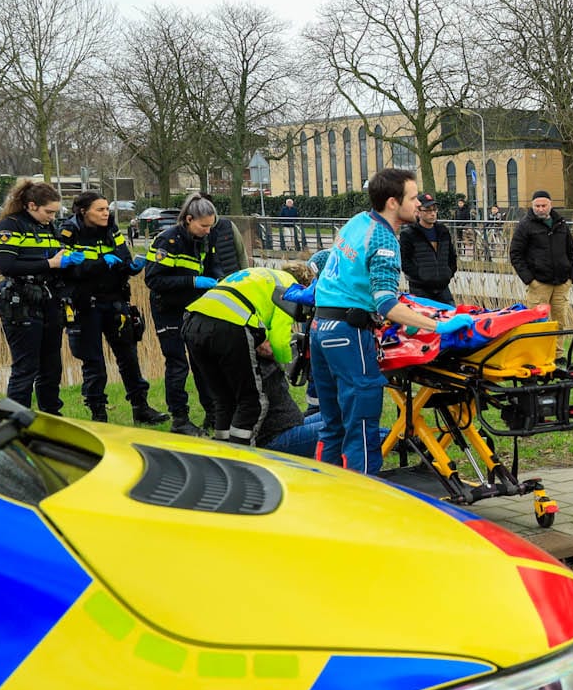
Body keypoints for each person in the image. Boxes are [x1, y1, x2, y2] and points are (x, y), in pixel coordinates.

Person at [311, 168, 471, 474]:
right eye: (412, 198)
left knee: (332, 425)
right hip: (348, 334)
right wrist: (438, 326)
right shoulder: (385, 240)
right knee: (361, 425)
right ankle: (366, 503)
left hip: (321, 328)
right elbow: (386, 303)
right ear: (393, 202)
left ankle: (325, 497)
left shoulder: (359, 221)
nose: (418, 204)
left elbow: (329, 260)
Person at [61, 191, 168, 425]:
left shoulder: (111, 228)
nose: (105, 213)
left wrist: (133, 267)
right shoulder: (69, 231)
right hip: (85, 305)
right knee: (94, 363)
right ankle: (99, 415)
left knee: (128, 356)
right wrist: (100, 263)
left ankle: (141, 407)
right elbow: (67, 270)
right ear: (83, 211)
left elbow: (122, 258)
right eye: (99, 209)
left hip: (114, 301)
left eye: (106, 208)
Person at [181, 266, 306, 444]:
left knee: (224, 400)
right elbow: (279, 341)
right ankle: (242, 457)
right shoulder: (291, 288)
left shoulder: (260, 274)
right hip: (229, 325)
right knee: (251, 401)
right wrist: (289, 365)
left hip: (193, 322)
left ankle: (223, 453)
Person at [0, 179, 78, 413]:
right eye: (48, 211)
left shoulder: (47, 227)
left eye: (55, 212)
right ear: (31, 205)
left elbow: (49, 258)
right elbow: (7, 266)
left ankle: (51, 417)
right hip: (21, 303)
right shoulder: (10, 226)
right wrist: (51, 263)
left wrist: (67, 259)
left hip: (48, 300)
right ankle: (15, 419)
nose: (52, 217)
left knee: (52, 367)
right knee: (26, 367)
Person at [144, 194, 225, 436]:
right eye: (203, 226)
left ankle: (213, 413)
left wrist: (220, 280)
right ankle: (180, 419)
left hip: (195, 308)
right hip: (168, 310)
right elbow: (153, 279)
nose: (207, 230)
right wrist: (193, 281)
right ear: (188, 219)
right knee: (178, 364)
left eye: (210, 225)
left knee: (203, 363)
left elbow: (213, 264)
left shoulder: (205, 238)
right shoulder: (166, 242)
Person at [510, 191, 573, 359]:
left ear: (550, 205)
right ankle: (538, 355)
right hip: (539, 282)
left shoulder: (560, 223)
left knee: (559, 320)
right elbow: (515, 254)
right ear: (532, 206)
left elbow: (571, 250)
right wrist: (530, 280)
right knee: (537, 321)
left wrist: (572, 276)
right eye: (537, 206)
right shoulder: (525, 226)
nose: (541, 209)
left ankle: (557, 354)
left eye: (544, 205)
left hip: (562, 281)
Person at [400, 192, 459, 304]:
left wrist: (447, 273)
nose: (432, 214)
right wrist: (420, 276)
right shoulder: (409, 234)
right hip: (420, 289)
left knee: (451, 317)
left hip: (442, 288)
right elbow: (404, 261)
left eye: (434, 210)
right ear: (418, 212)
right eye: (427, 210)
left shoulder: (443, 231)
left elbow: (452, 256)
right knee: (423, 320)